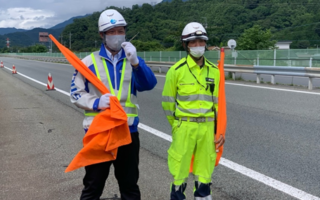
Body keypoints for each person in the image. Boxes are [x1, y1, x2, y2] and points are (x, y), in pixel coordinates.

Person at [70, 9, 157, 200]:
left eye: (120, 30)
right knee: (93, 186)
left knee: (130, 186)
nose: (117, 35)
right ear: (102, 35)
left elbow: (149, 84)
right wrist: (96, 103)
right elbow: (75, 94)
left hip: (127, 132)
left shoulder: (132, 59)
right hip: (99, 133)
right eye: (112, 31)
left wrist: (136, 63)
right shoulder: (88, 62)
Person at [161, 22, 225, 200]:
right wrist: (177, 126)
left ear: (205, 43)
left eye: (201, 42)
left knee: (205, 174)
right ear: (185, 45)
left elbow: (218, 105)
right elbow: (167, 104)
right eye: (193, 42)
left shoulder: (214, 71)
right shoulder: (176, 71)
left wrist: (219, 130)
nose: (198, 46)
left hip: (207, 129)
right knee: (180, 173)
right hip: (184, 127)